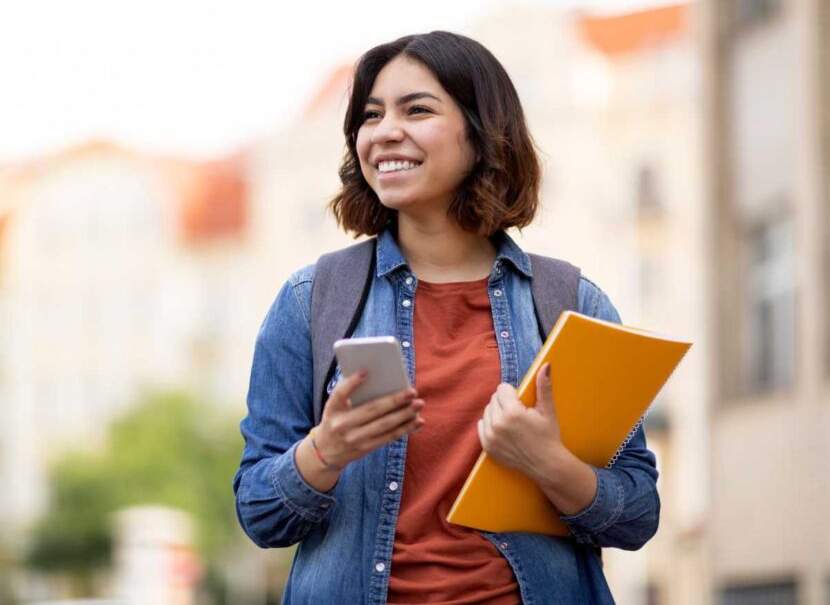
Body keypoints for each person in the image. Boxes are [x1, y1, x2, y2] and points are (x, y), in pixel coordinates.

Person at [233, 31, 660, 605]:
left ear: (483, 134)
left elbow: (636, 515)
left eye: (417, 110)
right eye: (370, 115)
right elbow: (260, 514)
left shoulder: (571, 304)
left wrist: (549, 464)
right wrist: (325, 450)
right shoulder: (311, 300)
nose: (385, 131)